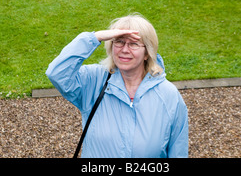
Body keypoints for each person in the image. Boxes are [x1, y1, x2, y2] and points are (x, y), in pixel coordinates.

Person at [46, 13, 188, 158]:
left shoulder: (168, 95)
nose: (125, 50)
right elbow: (57, 73)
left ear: (147, 53)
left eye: (133, 44)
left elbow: (178, 151)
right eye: (119, 42)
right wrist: (96, 37)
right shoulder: (94, 81)